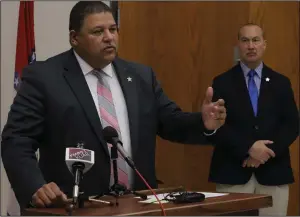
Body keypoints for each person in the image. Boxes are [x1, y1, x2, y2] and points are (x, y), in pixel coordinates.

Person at [1, 1, 226, 211]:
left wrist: (202, 122)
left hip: (136, 206)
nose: (109, 37)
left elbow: (170, 122)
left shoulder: (140, 76)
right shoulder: (46, 77)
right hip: (73, 207)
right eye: (98, 32)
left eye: (113, 29)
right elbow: (17, 139)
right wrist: (35, 187)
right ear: (74, 38)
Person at [208, 23, 299, 216]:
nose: (251, 46)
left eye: (256, 40)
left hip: (274, 172)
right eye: (245, 40)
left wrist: (265, 153)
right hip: (232, 172)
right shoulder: (221, 82)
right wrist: (249, 148)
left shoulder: (281, 83)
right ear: (238, 45)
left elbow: (292, 125)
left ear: (264, 44)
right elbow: (217, 127)